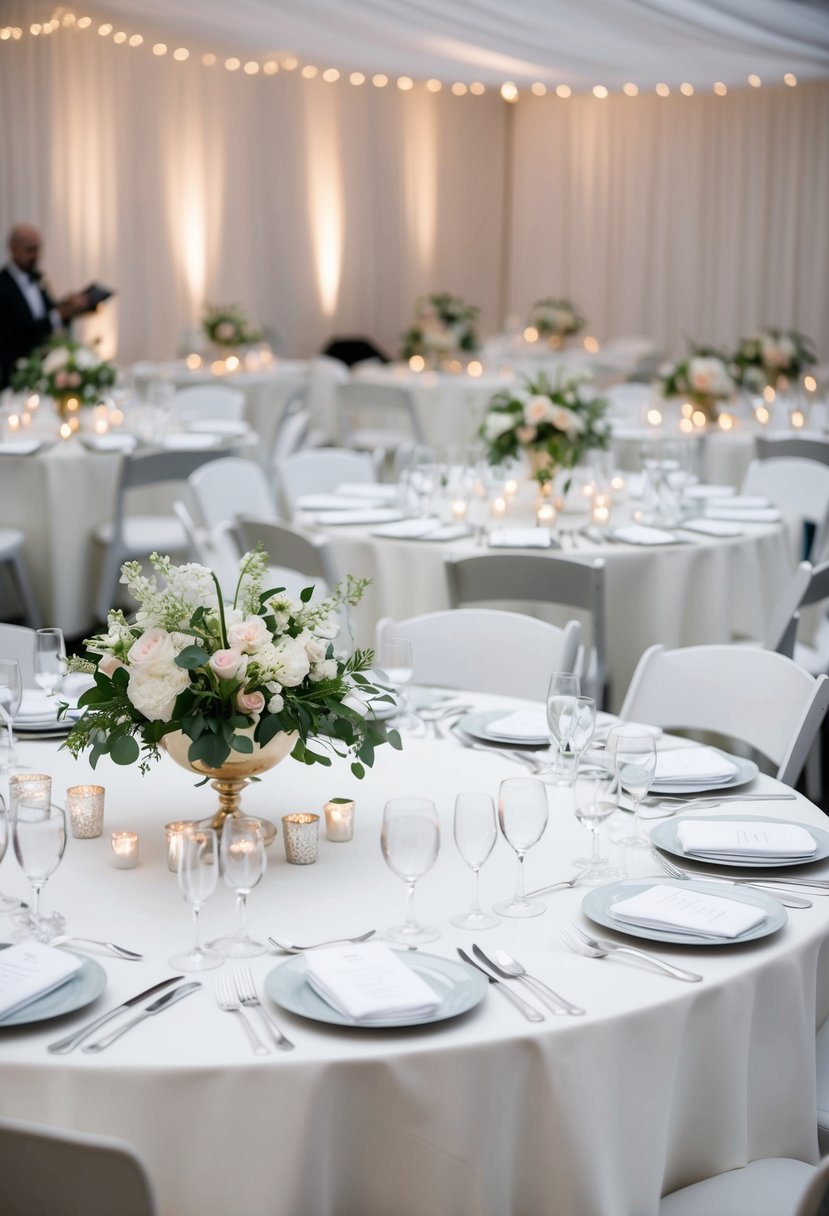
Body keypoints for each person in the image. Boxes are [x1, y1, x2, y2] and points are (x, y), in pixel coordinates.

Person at [0, 223, 91, 389]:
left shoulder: (38, 278)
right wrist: (59, 314)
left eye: (38, 248)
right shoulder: (3, 284)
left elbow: (47, 312)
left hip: (41, 368)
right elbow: (14, 331)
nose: (36, 255)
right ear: (13, 248)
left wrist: (68, 306)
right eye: (30, 249)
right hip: (14, 373)